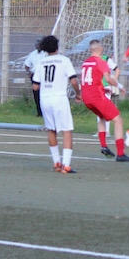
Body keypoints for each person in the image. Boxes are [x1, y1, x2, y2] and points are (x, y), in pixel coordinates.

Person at [32, 35, 80, 174]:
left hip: (45, 99)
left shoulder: (41, 62)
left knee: (51, 130)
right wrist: (78, 93)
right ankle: (66, 165)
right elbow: (73, 81)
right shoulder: (64, 60)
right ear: (57, 46)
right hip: (59, 98)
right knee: (67, 131)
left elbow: (35, 86)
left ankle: (56, 162)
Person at [80, 39, 129, 162]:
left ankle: (104, 146)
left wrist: (103, 89)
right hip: (97, 97)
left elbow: (90, 82)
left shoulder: (85, 63)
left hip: (87, 98)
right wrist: (119, 86)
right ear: (101, 49)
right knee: (118, 120)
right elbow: (108, 79)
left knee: (102, 118)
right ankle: (121, 154)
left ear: (90, 50)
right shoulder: (101, 61)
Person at [22, 39, 45, 117]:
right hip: (35, 75)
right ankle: (39, 112)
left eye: (39, 45)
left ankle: (45, 111)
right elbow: (27, 65)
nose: (38, 46)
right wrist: (29, 72)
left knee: (44, 94)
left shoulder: (46, 54)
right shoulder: (32, 54)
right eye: (36, 45)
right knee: (36, 94)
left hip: (44, 75)